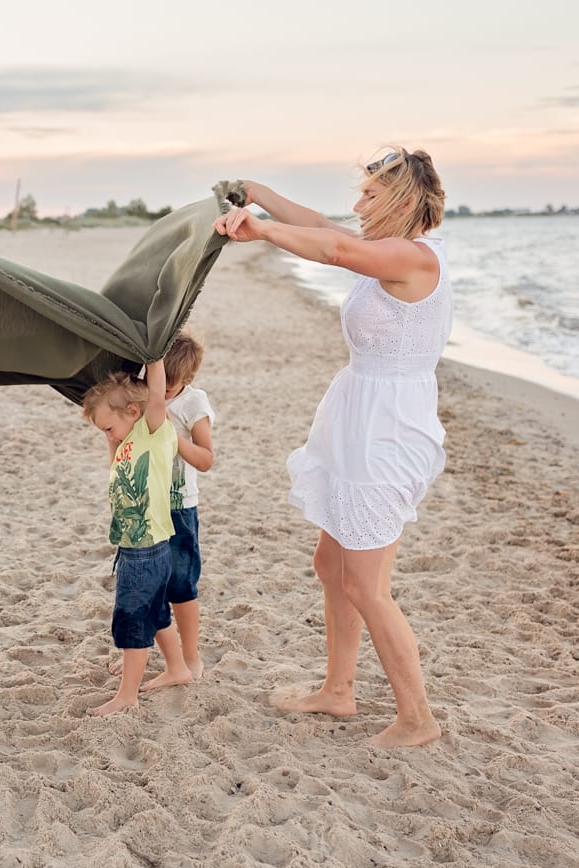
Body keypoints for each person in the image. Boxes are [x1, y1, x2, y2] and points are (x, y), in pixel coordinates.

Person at [214, 147, 448, 748]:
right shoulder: (386, 251)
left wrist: (260, 232)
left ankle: (417, 719)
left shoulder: (410, 257)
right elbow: (322, 228)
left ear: (401, 199)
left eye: (369, 194)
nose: (357, 204)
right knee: (332, 565)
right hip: (358, 416)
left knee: (368, 585)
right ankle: (338, 691)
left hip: (389, 429)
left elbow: (336, 250)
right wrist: (258, 193)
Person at [81, 360, 193, 717]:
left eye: (110, 427)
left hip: (146, 549)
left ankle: (127, 694)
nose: (109, 434)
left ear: (133, 411)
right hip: (135, 546)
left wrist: (154, 358)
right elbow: (114, 464)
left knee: (134, 616)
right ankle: (177, 669)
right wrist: (109, 435)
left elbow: (155, 394)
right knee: (156, 612)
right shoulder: (127, 442)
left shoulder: (152, 431)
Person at [162, 333, 216, 679]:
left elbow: (206, 459)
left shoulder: (193, 404)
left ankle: (191, 655)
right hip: (144, 504)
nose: (163, 392)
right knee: (145, 584)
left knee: (180, 585)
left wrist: (175, 438)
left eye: (170, 386)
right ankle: (139, 651)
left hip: (179, 507)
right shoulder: (144, 392)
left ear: (188, 379)